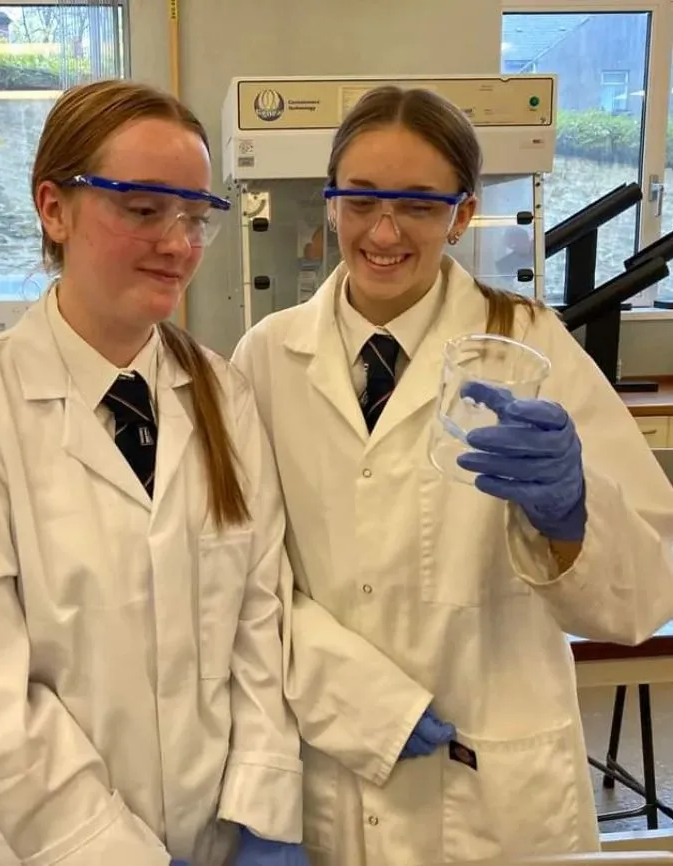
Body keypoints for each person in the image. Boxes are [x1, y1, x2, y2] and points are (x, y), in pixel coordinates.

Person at [231, 85, 673, 866]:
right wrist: (363, 705)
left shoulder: (529, 344)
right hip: (330, 772)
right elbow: (242, 579)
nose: (386, 230)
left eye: (419, 205)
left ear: (463, 215)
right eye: (361, 199)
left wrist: (575, 516)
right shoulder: (266, 356)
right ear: (330, 203)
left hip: (492, 787)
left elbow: (646, 592)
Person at [0, 80, 308, 866]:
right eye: (145, 208)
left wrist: (263, 808)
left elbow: (261, 622)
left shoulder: (225, 397)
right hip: (52, 845)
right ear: (55, 209)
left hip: (216, 833)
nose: (179, 242)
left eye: (194, 215)